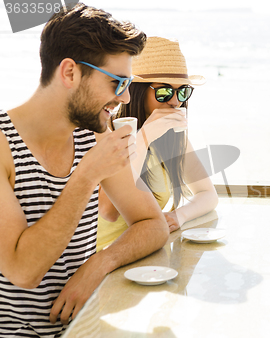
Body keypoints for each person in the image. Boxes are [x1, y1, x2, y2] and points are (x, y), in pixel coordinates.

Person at [0, 4, 171, 336]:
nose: (123, 97)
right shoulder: (3, 147)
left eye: (128, 83)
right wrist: (87, 176)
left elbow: (153, 225)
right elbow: (23, 271)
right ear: (69, 72)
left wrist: (100, 263)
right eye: (116, 82)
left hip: (83, 329)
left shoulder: (93, 136)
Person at [97, 37, 218, 251]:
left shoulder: (172, 137)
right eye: (164, 92)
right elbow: (109, 210)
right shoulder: (105, 131)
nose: (175, 101)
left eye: (182, 91)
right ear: (137, 91)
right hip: (102, 254)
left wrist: (178, 216)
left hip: (143, 249)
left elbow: (208, 194)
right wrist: (144, 137)